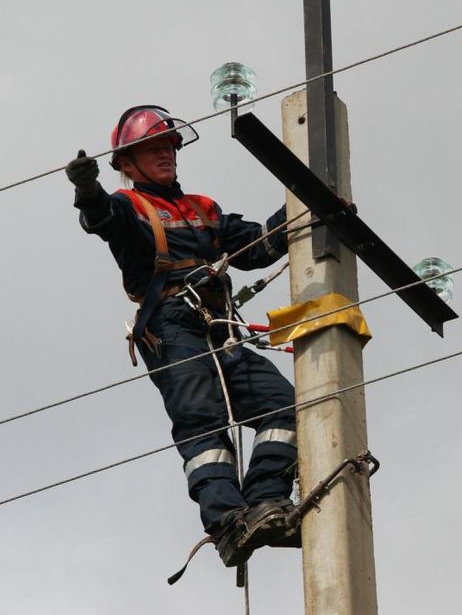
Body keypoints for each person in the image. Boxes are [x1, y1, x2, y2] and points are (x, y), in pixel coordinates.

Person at [65, 105, 300, 568]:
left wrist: (307, 200)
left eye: (168, 146)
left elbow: (259, 245)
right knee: (202, 422)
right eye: (152, 149)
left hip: (220, 326)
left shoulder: (203, 209)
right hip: (171, 326)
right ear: (127, 164)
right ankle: (229, 522)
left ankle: (266, 503)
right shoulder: (130, 207)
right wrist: (88, 190)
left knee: (288, 406)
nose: (165, 154)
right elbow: (102, 221)